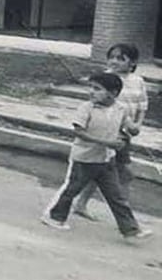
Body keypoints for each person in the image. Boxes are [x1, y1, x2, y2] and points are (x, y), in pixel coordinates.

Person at [41, 72, 151, 240]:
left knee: (116, 196)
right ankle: (54, 216)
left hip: (106, 160)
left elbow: (128, 126)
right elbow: (79, 132)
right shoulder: (86, 108)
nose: (91, 92)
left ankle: (130, 228)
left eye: (97, 89)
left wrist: (134, 129)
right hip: (84, 158)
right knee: (71, 190)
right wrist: (106, 142)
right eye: (91, 88)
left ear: (113, 93)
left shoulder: (120, 109)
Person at [74, 43, 149, 220]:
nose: (114, 61)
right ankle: (125, 215)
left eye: (120, 58)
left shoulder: (138, 81)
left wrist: (138, 124)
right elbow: (96, 105)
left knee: (101, 171)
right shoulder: (104, 79)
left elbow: (142, 105)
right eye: (111, 57)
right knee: (124, 173)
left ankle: (80, 203)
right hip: (109, 134)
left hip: (126, 133)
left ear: (132, 63)